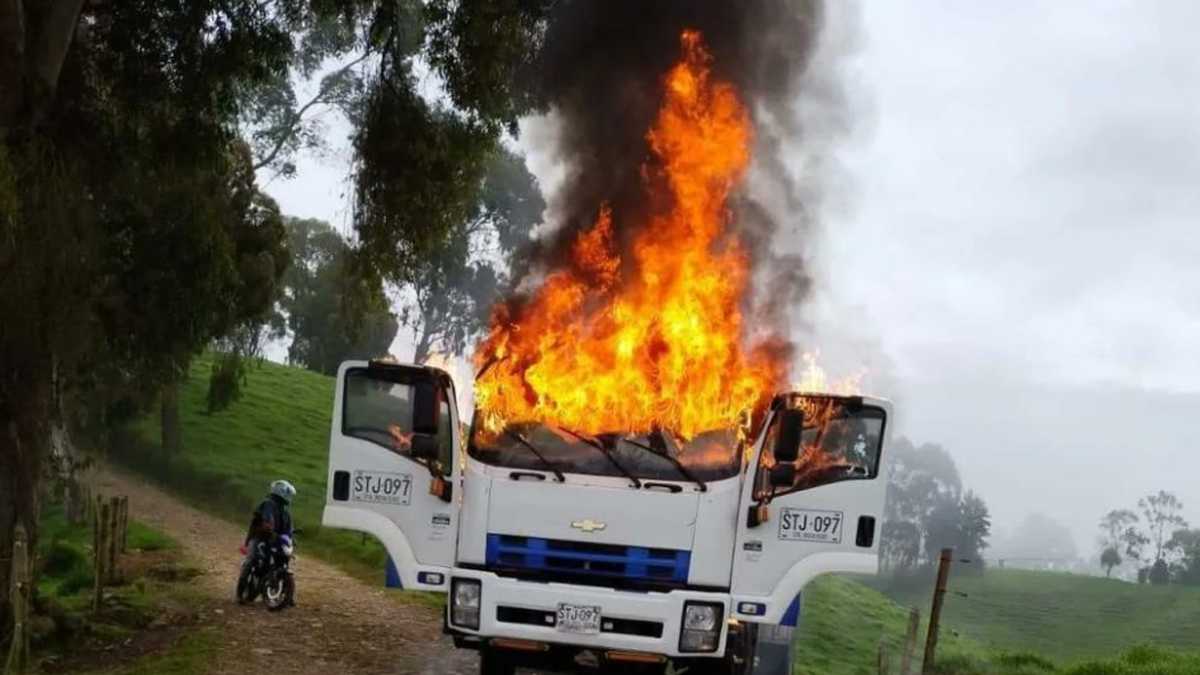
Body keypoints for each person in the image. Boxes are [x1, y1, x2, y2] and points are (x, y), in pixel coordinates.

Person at [240, 479, 296, 604]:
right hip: (260, 538)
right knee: (251, 560)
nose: (289, 497)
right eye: (288, 493)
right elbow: (266, 520)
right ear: (281, 492)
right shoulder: (267, 504)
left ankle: (288, 594)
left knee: (284, 561)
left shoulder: (286, 513)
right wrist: (268, 527)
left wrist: (291, 539)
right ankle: (241, 592)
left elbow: (289, 529)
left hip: (275, 540)